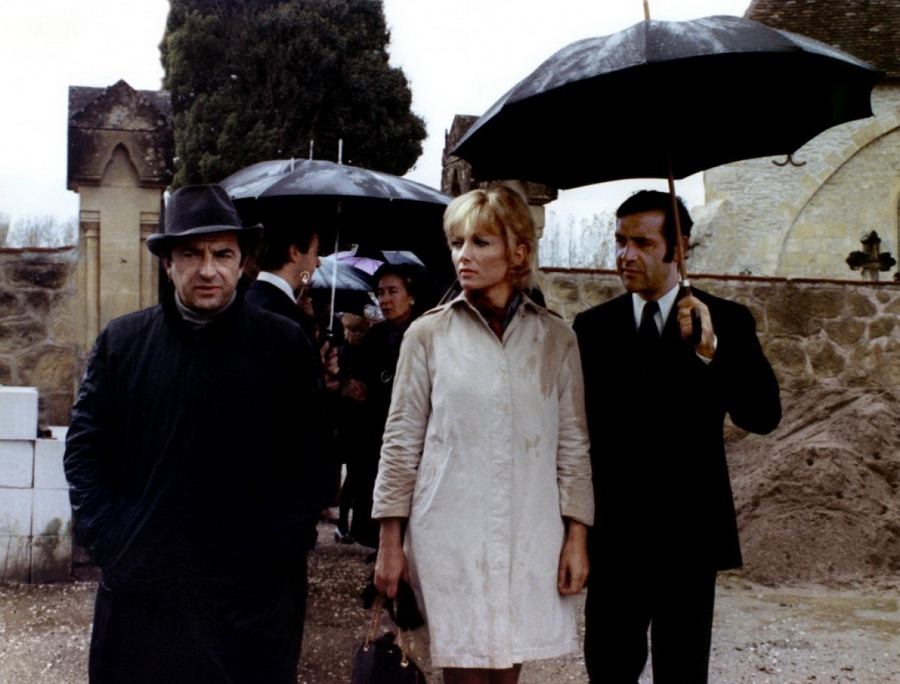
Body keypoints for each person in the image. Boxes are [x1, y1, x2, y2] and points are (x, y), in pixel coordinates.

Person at [64, 185, 326, 684]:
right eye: (191, 254)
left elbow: (311, 461)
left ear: (243, 262)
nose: (208, 270)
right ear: (168, 263)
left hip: (249, 599)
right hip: (144, 592)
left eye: (222, 254)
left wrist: (277, 547)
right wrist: (112, 542)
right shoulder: (123, 343)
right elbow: (85, 450)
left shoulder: (283, 345)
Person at [372, 186, 594, 684]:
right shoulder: (427, 335)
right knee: (463, 669)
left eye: (480, 242)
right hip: (449, 534)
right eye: (457, 243)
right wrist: (390, 542)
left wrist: (576, 536)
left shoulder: (556, 338)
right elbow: (400, 442)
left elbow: (573, 446)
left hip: (528, 533)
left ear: (518, 252)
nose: (463, 256)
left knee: (508, 669)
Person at [572, 190, 782, 684]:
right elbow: (575, 434)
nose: (625, 255)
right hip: (615, 538)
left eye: (643, 243)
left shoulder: (726, 320)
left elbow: (763, 415)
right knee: (607, 671)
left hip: (689, 538)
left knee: (683, 674)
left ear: (679, 248)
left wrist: (712, 351)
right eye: (620, 240)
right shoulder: (592, 327)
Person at [344, 263, 436, 548]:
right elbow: (359, 377)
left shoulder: (427, 334)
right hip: (376, 434)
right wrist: (353, 388)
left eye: (392, 292)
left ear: (411, 295)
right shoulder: (374, 337)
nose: (384, 300)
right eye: (380, 293)